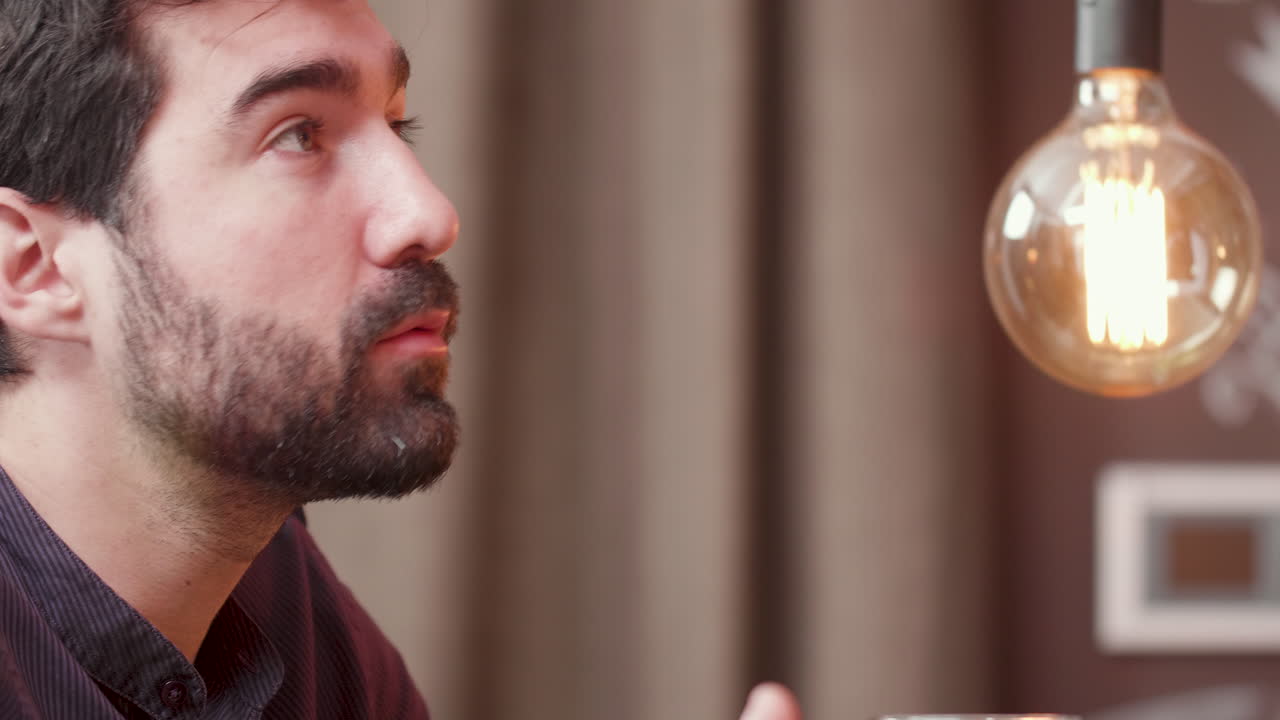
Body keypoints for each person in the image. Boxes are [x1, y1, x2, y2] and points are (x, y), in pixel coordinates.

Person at [0, 1, 801, 718]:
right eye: (298, 134)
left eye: (396, 122)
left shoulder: (288, 605)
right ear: (31, 267)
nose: (430, 214)